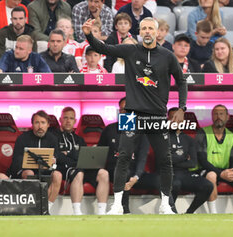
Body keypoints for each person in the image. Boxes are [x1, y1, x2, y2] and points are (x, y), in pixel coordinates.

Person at [82, 17, 187, 215]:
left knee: (165, 160)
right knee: (122, 157)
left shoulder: (168, 56)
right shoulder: (130, 51)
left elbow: (182, 81)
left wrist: (181, 107)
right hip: (130, 113)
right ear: (140, 32)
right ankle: (117, 206)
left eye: (151, 28)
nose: (147, 31)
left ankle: (166, 204)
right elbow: (104, 48)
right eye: (144, 28)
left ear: (157, 33)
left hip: (157, 115)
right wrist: (89, 34)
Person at [98, 97, 161, 214]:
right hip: (114, 171)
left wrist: (136, 176)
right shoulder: (109, 130)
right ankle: (124, 209)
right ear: (119, 111)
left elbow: (142, 157)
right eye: (123, 109)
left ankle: (168, 207)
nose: (126, 112)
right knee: (123, 172)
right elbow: (99, 154)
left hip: (134, 173)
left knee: (161, 179)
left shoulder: (141, 131)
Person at [52, 107, 109, 215]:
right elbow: (58, 156)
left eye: (71, 118)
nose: (68, 121)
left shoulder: (79, 139)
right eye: (65, 118)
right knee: (79, 173)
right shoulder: (54, 137)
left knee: (104, 173)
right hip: (64, 170)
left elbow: (84, 156)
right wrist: (72, 156)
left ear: (75, 121)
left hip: (81, 166)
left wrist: (68, 154)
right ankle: (77, 211)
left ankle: (102, 212)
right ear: (60, 119)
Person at [195, 104, 233, 214]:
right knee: (211, 175)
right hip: (206, 170)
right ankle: (213, 214)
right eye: (215, 114)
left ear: (227, 117)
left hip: (224, 171)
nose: (218, 117)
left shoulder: (232, 136)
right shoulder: (202, 133)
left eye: (221, 114)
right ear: (211, 116)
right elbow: (202, 160)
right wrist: (220, 173)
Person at [7, 110, 63, 212]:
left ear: (48, 125)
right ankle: (31, 208)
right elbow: (16, 160)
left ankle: (46, 209)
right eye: (37, 122)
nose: (40, 126)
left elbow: (57, 157)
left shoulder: (53, 139)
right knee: (29, 173)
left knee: (58, 175)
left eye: (43, 123)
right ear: (32, 124)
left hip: (46, 171)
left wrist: (54, 160)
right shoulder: (22, 138)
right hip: (26, 171)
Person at [168, 107, 213, 214]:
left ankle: (189, 213)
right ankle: (171, 212)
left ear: (183, 121)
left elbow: (193, 163)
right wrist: (183, 158)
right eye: (172, 118)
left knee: (208, 185)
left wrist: (174, 158)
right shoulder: (162, 138)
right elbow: (162, 162)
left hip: (185, 174)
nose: (175, 121)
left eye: (177, 118)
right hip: (168, 174)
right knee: (175, 183)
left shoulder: (189, 140)